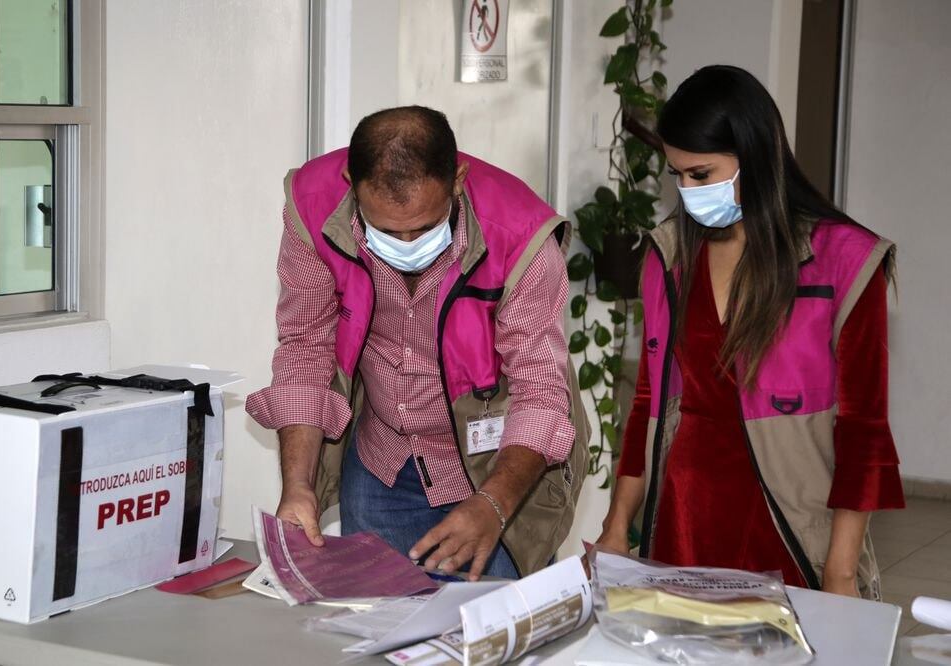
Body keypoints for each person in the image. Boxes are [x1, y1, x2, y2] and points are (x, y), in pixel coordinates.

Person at [595, 65, 904, 599]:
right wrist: (617, 525)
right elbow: (647, 400)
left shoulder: (845, 261)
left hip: (789, 526)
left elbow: (863, 432)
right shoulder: (669, 258)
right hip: (683, 523)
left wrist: (841, 572)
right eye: (677, 175)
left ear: (756, 157)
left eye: (702, 173)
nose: (687, 191)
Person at [246, 106, 590, 580]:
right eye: (386, 231)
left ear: (458, 180)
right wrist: (299, 485)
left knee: (483, 642)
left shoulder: (521, 236)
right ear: (351, 182)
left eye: (426, 228)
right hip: (380, 465)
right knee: (372, 631)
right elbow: (305, 348)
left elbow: (541, 397)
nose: (407, 245)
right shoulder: (313, 206)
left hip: (493, 470)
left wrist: (493, 504)